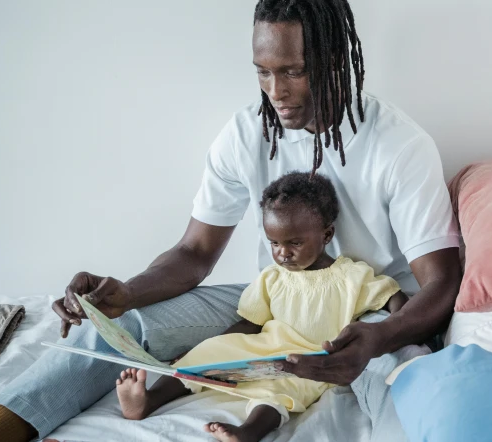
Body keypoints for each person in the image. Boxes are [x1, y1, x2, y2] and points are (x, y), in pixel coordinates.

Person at [0, 0, 461, 442]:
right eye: (264, 72)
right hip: (274, 302)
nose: (277, 92)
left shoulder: (399, 145)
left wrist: (383, 336)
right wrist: (125, 292)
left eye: (294, 71)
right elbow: (194, 252)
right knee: (120, 323)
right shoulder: (246, 132)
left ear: (335, 59)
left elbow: (441, 281)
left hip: (370, 312)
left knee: (401, 375)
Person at [116, 171, 408, 442]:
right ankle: (149, 400)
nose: (283, 253)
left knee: (282, 389)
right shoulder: (272, 276)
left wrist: (397, 329)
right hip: (262, 347)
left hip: (309, 360)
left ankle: (248, 432)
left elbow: (393, 297)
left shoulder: (352, 276)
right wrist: (210, 345)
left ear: (327, 235)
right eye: (274, 243)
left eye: (294, 243)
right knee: (205, 355)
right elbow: (249, 323)